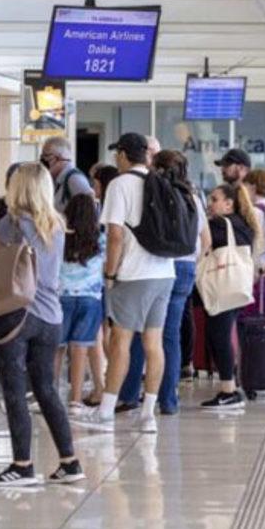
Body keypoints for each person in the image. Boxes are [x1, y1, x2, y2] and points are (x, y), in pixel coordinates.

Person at [0, 163, 83, 486]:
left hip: (16, 313)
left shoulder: (10, 223)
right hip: (50, 316)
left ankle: (22, 465)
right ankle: (70, 462)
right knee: (46, 389)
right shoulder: (56, 223)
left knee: (14, 392)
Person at [74, 133, 174, 433]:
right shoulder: (161, 180)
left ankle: (106, 411)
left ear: (122, 154)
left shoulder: (119, 184)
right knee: (154, 344)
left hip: (132, 274)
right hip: (164, 272)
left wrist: (109, 273)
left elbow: (115, 235)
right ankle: (148, 414)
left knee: (120, 342)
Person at [118, 151, 208, 415]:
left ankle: (130, 394)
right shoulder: (192, 197)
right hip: (186, 267)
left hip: (157, 266)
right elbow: (206, 241)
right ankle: (168, 400)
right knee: (170, 336)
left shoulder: (155, 193)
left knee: (138, 332)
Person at [199, 183, 260, 410]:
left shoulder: (219, 225)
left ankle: (229, 389)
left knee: (219, 335)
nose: (210, 204)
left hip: (222, 287)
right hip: (235, 286)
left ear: (228, 203)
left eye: (215, 199)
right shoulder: (243, 224)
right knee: (220, 334)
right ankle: (229, 386)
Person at [56, 194, 106, 411]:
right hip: (90, 298)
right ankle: (75, 400)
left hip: (61, 297)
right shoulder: (100, 239)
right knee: (80, 350)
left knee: (56, 349)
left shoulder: (59, 236)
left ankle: (49, 396)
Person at [41, 136, 94, 213]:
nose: (44, 160)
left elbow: (89, 209)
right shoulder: (55, 178)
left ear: (61, 157)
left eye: (47, 155)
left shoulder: (75, 179)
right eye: (43, 156)